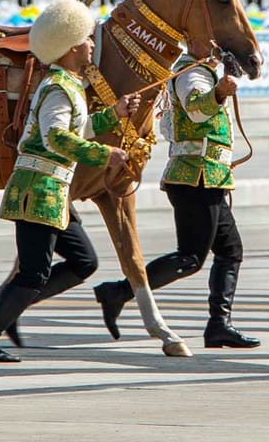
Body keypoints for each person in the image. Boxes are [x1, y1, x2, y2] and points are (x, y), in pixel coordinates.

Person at [0, 0, 139, 363]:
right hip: (38, 190)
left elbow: (81, 127)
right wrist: (105, 155)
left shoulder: (70, 86)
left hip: (54, 192)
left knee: (83, 261)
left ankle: (6, 313)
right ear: (74, 47)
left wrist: (115, 114)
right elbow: (55, 137)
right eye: (88, 39)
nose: (93, 44)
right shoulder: (59, 88)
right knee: (33, 273)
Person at [93, 36, 260, 350]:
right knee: (191, 257)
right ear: (195, 43)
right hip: (195, 179)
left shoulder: (201, 71)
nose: (217, 48)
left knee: (230, 251)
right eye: (210, 42)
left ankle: (219, 325)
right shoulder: (191, 74)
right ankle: (119, 292)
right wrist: (219, 93)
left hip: (208, 178)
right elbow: (197, 109)